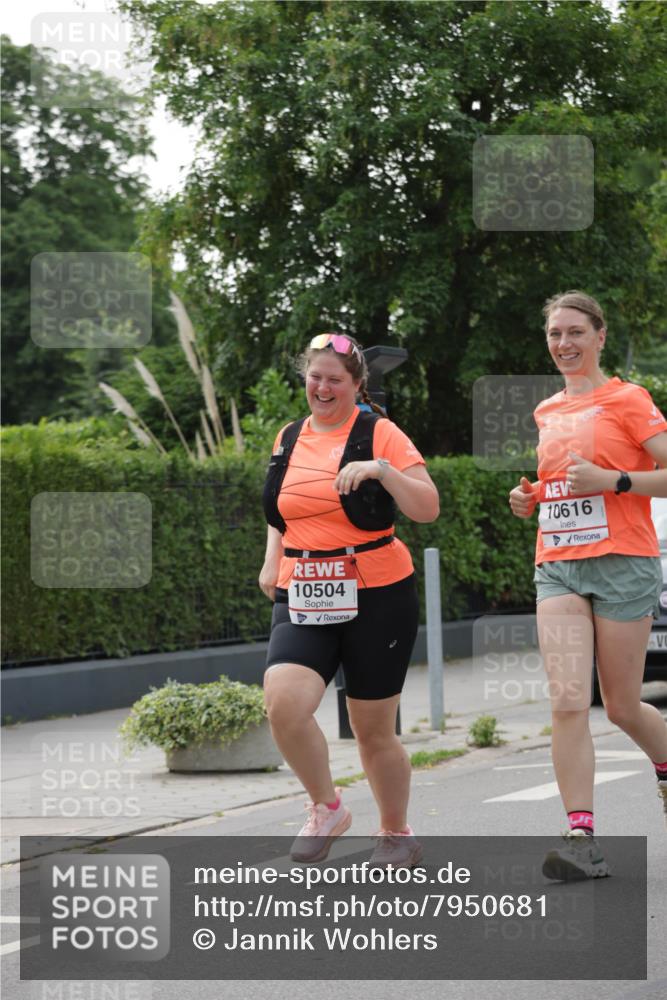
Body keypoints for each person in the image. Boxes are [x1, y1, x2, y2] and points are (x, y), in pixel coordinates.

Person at [259, 332, 439, 866]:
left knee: (372, 730)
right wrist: (273, 556)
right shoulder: (288, 437)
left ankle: (395, 831)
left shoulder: (380, 432)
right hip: (304, 587)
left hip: (378, 591)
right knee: (283, 704)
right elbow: (283, 509)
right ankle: (327, 807)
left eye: (335, 379)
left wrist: (383, 471)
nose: (323, 387)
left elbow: (427, 506)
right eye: (315, 376)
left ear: (357, 385)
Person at [509, 290, 667, 881]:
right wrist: (528, 498)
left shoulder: (629, 399)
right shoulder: (547, 411)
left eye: (576, 332)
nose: (564, 344)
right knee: (568, 699)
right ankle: (581, 837)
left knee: (623, 706)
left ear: (600, 336)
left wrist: (615, 479)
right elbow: (558, 484)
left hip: (623, 562)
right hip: (558, 564)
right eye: (555, 334)